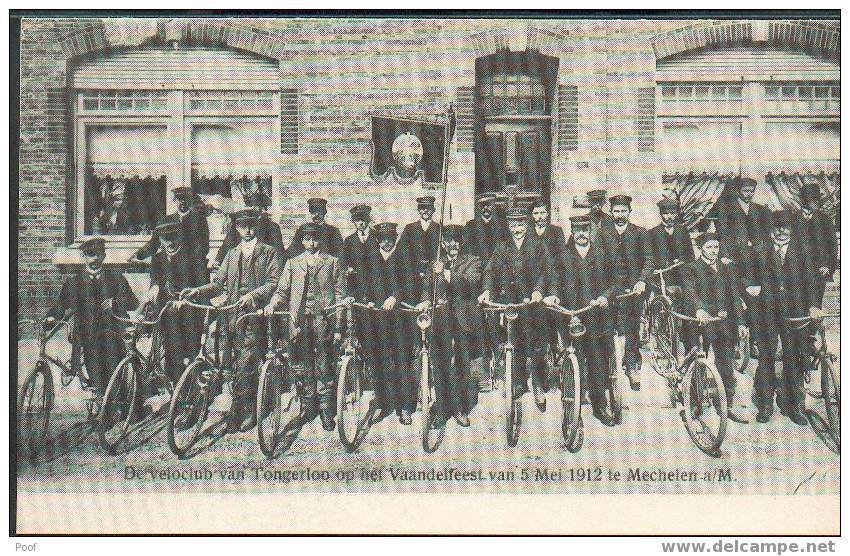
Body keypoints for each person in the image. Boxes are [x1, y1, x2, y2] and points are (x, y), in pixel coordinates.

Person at [180, 209, 282, 433]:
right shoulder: (232, 253)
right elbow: (218, 284)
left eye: (251, 225)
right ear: (236, 228)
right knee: (224, 363)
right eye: (242, 225)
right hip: (231, 316)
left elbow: (274, 282)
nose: (247, 230)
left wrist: (254, 295)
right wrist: (197, 291)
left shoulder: (269, 252)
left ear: (257, 225)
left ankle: (245, 413)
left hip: (254, 316)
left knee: (246, 365)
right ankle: (225, 410)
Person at [265, 223, 346, 431]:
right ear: (302, 241)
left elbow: (340, 296)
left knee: (324, 362)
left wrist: (338, 326)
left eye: (315, 238)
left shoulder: (333, 262)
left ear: (321, 240)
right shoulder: (293, 263)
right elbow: (282, 291)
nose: (311, 242)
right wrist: (273, 303)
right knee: (303, 364)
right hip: (299, 322)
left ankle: (327, 409)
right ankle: (308, 406)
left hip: (323, 320)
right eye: (307, 238)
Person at [747, 210, 824, 426]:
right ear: (771, 230)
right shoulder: (760, 251)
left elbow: (811, 280)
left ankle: (794, 405)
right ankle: (765, 404)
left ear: (791, 229)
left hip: (795, 312)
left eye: (786, 227)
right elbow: (748, 276)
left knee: (794, 358)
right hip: (767, 312)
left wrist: (813, 305)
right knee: (767, 357)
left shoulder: (803, 252)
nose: (781, 231)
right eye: (777, 227)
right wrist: (750, 287)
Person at [545, 215, 618, 426]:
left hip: (595, 317)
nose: (582, 234)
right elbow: (555, 281)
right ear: (572, 232)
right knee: (572, 359)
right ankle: (572, 406)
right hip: (572, 316)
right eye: (577, 230)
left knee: (596, 361)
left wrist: (606, 296)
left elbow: (615, 282)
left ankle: (599, 406)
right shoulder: (563, 256)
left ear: (590, 231)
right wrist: (554, 295)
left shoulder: (602, 254)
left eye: (585, 229)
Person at [46, 237, 138, 400]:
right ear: (83, 256)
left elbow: (133, 302)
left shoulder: (115, 279)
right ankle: (103, 403)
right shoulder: (74, 282)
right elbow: (61, 305)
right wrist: (51, 318)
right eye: (90, 254)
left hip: (112, 334)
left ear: (104, 256)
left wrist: (115, 302)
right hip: (87, 336)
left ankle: (119, 404)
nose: (94, 258)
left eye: (98, 254)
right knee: (95, 375)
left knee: (114, 373)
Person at [479, 207, 552, 409]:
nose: (517, 229)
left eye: (521, 224)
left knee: (536, 345)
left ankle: (537, 383)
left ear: (527, 224)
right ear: (509, 226)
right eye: (513, 225)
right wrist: (486, 290)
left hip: (532, 304)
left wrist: (538, 291)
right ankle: (518, 381)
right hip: (511, 303)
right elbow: (490, 270)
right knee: (514, 341)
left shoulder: (538, 246)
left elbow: (546, 272)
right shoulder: (502, 247)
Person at [681, 231, 749, 424]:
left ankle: (725, 406)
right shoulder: (691, 268)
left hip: (723, 323)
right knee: (696, 364)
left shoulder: (727, 269)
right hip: (700, 323)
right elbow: (690, 292)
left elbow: (734, 296)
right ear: (700, 248)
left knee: (726, 365)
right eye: (709, 247)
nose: (713, 251)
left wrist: (741, 322)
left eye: (716, 247)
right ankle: (694, 404)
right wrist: (699, 309)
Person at [418, 224, 483, 427]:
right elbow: (428, 287)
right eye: (448, 240)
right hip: (440, 320)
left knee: (461, 365)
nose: (452, 244)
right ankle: (442, 408)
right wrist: (426, 300)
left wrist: (445, 273)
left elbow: (470, 284)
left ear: (461, 242)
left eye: (456, 240)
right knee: (439, 365)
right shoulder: (436, 262)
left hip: (463, 320)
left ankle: (459, 408)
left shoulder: (473, 261)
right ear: (443, 243)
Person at [137, 220, 207, 388]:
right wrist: (153, 289)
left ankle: (193, 384)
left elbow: (202, 285)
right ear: (159, 240)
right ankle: (175, 387)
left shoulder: (194, 257)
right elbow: (156, 280)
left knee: (189, 351)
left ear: (181, 237)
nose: (170, 243)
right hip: (166, 312)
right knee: (170, 351)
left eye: (174, 237)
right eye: (165, 238)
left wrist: (187, 299)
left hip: (191, 311)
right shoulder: (158, 259)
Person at [362, 222, 416, 425]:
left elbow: (410, 284)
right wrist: (367, 298)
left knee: (402, 364)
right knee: (380, 363)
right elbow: (364, 282)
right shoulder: (371, 258)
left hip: (399, 321)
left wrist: (395, 296)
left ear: (395, 239)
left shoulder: (403, 258)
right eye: (383, 239)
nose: (386, 243)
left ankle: (405, 408)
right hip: (377, 320)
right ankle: (384, 403)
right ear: (377, 240)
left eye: (390, 239)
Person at [599, 194, 653, 391]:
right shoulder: (602, 234)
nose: (620, 214)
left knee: (632, 327)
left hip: (633, 289)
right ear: (611, 213)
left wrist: (641, 281)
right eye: (616, 211)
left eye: (623, 211)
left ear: (630, 212)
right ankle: (607, 368)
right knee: (607, 327)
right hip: (610, 288)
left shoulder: (640, 233)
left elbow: (648, 260)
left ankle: (631, 365)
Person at [132, 187, 210, 270]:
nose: (183, 202)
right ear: (175, 200)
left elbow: (204, 246)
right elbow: (154, 243)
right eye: (179, 199)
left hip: (191, 268)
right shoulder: (165, 221)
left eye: (185, 199)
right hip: (170, 268)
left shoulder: (199, 220)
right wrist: (138, 255)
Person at [215, 190, 284, 268]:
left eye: (258, 206)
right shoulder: (239, 224)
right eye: (252, 206)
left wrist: (278, 269)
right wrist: (218, 260)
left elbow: (279, 250)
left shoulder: (272, 226)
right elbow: (228, 243)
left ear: (263, 208)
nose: (254, 208)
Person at [794, 182, 837, 305]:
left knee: (815, 306)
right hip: (797, 271)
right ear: (803, 200)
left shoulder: (825, 220)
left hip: (819, 271)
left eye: (817, 198)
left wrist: (828, 266)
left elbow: (832, 246)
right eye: (812, 198)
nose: (816, 201)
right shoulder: (793, 218)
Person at [398, 195, 442, 301]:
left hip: (432, 276)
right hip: (413, 277)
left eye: (429, 208)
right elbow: (401, 252)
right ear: (418, 210)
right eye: (422, 208)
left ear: (433, 210)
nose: (425, 210)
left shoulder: (439, 229)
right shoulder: (410, 229)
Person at [648, 197, 695, 292]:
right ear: (660, 214)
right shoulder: (652, 233)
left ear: (677, 214)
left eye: (673, 213)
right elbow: (649, 258)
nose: (669, 216)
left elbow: (690, 256)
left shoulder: (683, 231)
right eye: (665, 213)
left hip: (682, 275)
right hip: (661, 275)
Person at [341, 204, 380, 304]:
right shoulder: (349, 240)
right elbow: (343, 261)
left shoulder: (378, 237)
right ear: (353, 221)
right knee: (358, 315)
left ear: (368, 220)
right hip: (356, 285)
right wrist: (348, 269)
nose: (361, 223)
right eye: (357, 220)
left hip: (376, 284)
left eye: (363, 219)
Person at [464, 192, 508, 261]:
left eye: (489, 205)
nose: (485, 208)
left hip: (497, 265)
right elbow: (468, 247)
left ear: (493, 205)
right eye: (482, 205)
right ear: (478, 206)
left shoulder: (503, 225)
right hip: (477, 264)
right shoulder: (470, 226)